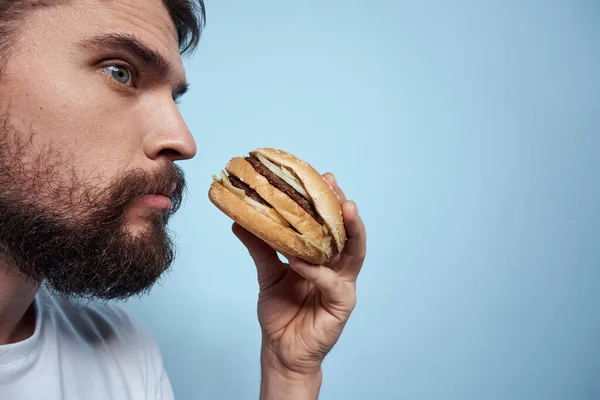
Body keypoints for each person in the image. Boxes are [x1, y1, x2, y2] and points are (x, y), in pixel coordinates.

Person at [0, 0, 367, 398]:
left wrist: (289, 373)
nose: (184, 142)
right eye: (120, 72)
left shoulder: (120, 351)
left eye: (174, 97)